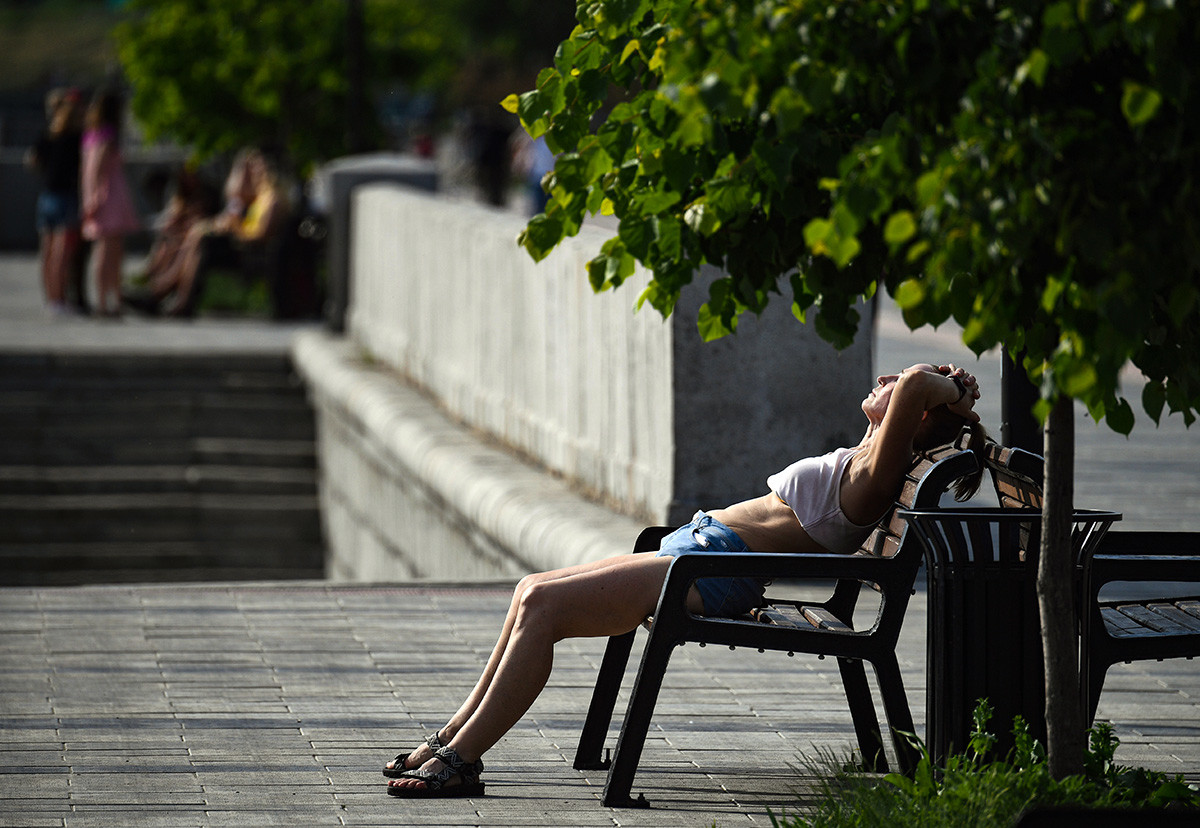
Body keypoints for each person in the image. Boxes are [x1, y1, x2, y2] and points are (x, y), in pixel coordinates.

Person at [382, 362, 986, 798]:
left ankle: (461, 760)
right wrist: (941, 397)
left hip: (714, 569)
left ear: (918, 414)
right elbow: (901, 393)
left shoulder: (879, 474)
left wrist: (952, 385)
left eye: (906, 386)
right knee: (529, 589)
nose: (886, 381)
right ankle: (448, 741)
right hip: (701, 549)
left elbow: (909, 387)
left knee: (542, 605)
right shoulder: (869, 454)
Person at [131, 147, 288, 317]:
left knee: (199, 238)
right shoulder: (259, 196)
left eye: (258, 168)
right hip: (242, 247)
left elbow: (259, 235)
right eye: (252, 169)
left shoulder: (272, 200)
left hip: (251, 252)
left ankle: (167, 295)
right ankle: (167, 293)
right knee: (196, 235)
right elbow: (234, 193)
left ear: (271, 170)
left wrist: (235, 227)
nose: (254, 173)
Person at [80, 89, 140, 318]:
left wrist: (87, 197)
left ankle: (110, 300)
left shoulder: (90, 135)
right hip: (109, 196)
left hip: (98, 195)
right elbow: (98, 169)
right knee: (108, 251)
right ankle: (107, 301)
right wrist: (95, 197)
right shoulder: (108, 134)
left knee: (108, 250)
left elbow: (86, 170)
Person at [27, 87, 84, 315]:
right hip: (66, 197)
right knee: (62, 254)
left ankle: (51, 299)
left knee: (47, 253)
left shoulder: (48, 134)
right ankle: (60, 299)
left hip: (47, 195)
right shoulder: (75, 139)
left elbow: (32, 161)